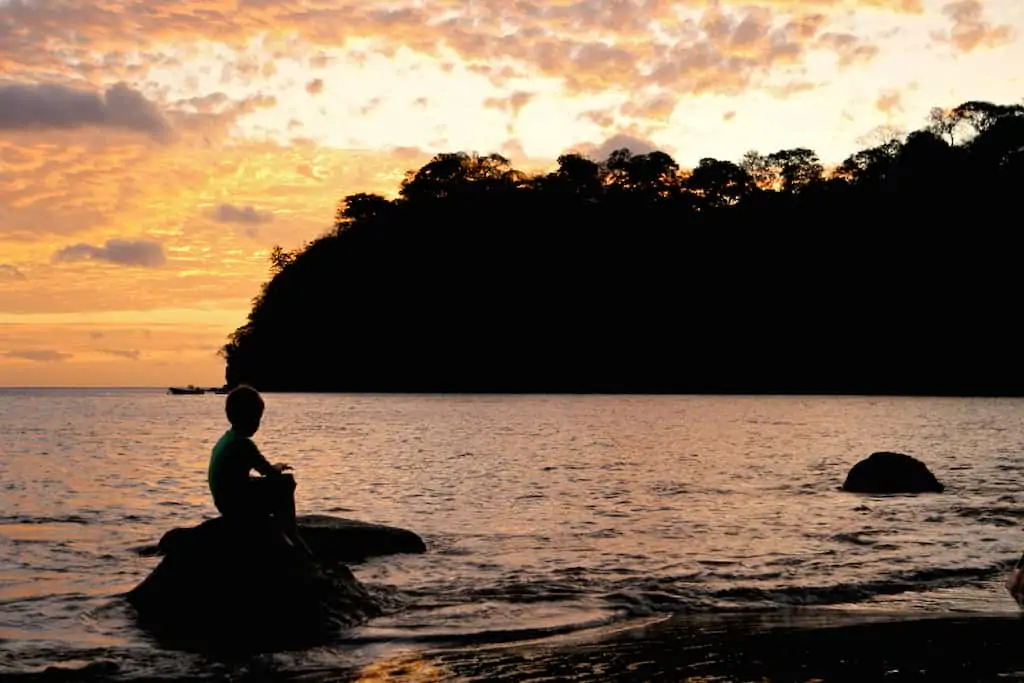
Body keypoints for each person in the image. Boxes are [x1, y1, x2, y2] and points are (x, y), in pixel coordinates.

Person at [208, 384, 313, 558]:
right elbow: (268, 472)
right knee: (286, 483)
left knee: (275, 483)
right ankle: (290, 531)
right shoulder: (243, 444)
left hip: (225, 501)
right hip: (236, 505)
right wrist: (278, 467)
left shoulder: (227, 439)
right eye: (256, 418)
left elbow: (237, 477)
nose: (257, 423)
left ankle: (282, 529)